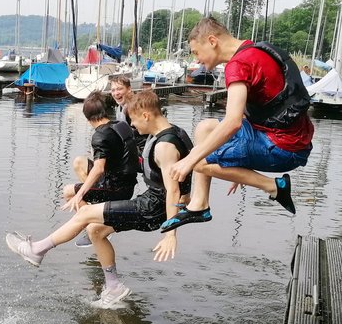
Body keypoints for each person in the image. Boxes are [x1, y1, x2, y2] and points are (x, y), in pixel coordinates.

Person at [5, 90, 193, 308]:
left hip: (153, 207)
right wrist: (189, 203)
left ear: (146, 115)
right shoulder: (177, 132)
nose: (133, 127)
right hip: (153, 203)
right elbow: (188, 178)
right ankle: (114, 287)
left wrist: (171, 233)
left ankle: (37, 250)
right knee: (96, 230)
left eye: (133, 120)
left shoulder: (164, 146)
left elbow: (173, 191)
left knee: (84, 213)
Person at [161, 17, 313, 232]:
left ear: (212, 41)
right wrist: (238, 168)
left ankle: (274, 186)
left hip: (284, 149)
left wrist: (188, 161)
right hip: (292, 139)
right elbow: (248, 115)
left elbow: (232, 123)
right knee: (205, 128)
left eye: (196, 53)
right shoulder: (254, 50)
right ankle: (199, 204)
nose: (198, 61)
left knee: (198, 162)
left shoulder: (238, 65)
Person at [64, 91, 139, 248]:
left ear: (87, 117)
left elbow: (98, 169)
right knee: (79, 162)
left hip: (117, 188)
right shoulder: (121, 125)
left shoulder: (100, 135)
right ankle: (97, 209)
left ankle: (95, 224)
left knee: (68, 192)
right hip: (126, 182)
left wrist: (80, 194)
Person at [110, 74, 148, 153]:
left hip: (141, 151)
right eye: (113, 90)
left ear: (129, 89)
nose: (116, 93)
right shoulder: (120, 107)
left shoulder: (133, 108)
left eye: (119, 89)